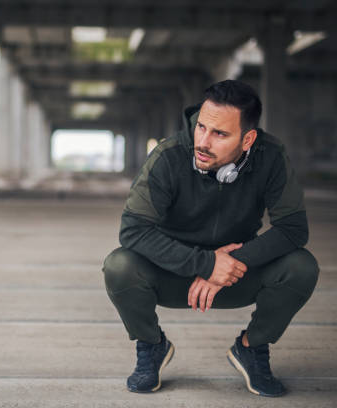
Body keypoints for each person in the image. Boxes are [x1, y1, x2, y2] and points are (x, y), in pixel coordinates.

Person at [102, 80, 319, 397]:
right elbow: (133, 229)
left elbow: (294, 228)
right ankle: (151, 346)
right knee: (119, 266)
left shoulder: (270, 158)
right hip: (173, 274)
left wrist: (231, 264)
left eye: (220, 134)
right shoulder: (169, 156)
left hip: (235, 276)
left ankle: (252, 347)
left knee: (302, 266)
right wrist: (205, 264)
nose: (203, 141)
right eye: (201, 127)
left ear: (248, 139)